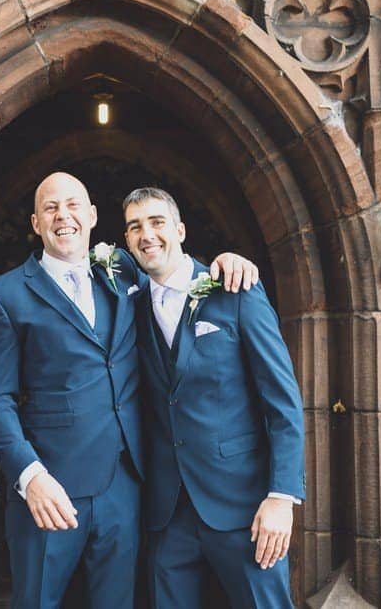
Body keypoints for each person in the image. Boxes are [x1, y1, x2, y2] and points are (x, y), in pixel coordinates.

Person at [0, 172, 258, 609]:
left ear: (92, 216)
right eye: (51, 208)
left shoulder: (122, 271)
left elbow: (172, 272)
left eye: (73, 205)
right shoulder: (4, 295)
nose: (63, 216)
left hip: (125, 486)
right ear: (36, 223)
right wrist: (30, 477)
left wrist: (226, 262)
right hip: (51, 488)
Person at [122, 187, 305, 609]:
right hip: (168, 513)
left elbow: (282, 401)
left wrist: (281, 497)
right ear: (127, 241)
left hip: (243, 506)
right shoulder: (129, 306)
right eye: (134, 227)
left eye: (156, 222)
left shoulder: (236, 290)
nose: (146, 234)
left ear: (180, 230)